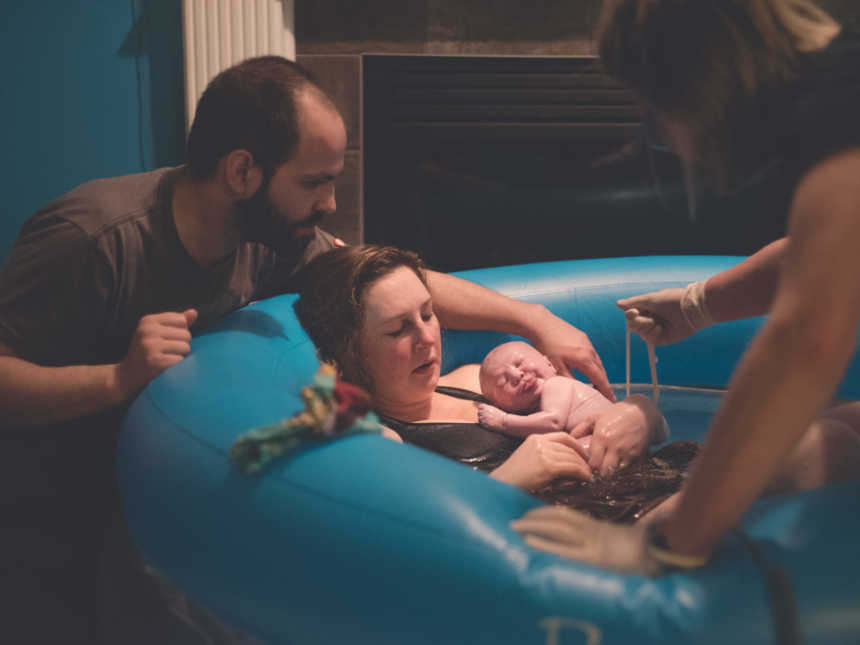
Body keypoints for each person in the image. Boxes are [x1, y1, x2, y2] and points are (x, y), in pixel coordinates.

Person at [0, 56, 614, 641]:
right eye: (315, 182)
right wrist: (116, 378)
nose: (330, 204)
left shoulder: (272, 236)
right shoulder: (94, 240)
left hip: (145, 497)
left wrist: (532, 317)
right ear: (242, 172)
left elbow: (388, 283)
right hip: (40, 515)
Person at [513, 0, 860, 574]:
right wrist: (697, 307)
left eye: (652, 103)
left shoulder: (841, 103)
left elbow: (805, 344)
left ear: (698, 75)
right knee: (836, 432)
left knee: (820, 449)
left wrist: (666, 541)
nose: (654, 125)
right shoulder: (839, 69)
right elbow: (819, 251)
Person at [294, 245, 701, 521]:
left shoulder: (476, 379)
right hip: (597, 532)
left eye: (428, 314)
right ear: (350, 351)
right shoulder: (383, 439)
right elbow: (411, 538)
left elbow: (583, 405)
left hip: (649, 484)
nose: (427, 337)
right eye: (399, 329)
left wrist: (640, 414)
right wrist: (509, 479)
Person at [477, 340, 668, 476]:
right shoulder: (532, 415)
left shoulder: (556, 384)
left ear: (549, 363)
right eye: (504, 382)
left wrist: (503, 421)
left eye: (519, 362)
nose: (517, 374)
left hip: (600, 445)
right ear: (501, 404)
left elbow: (553, 421)